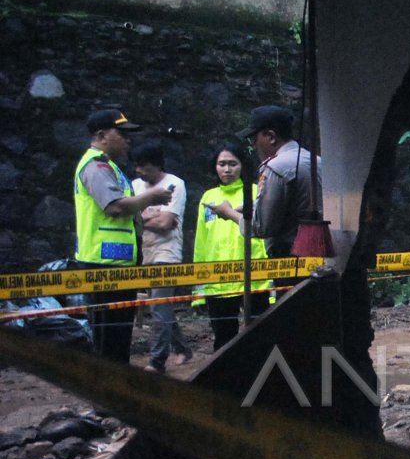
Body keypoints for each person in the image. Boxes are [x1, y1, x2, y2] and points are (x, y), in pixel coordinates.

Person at [73, 109, 172, 363]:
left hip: (116, 265)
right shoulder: (96, 166)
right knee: (109, 341)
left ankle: (114, 396)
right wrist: (152, 196)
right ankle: (106, 400)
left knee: (117, 340)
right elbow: (114, 206)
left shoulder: (109, 167)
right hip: (102, 266)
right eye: (122, 133)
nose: (128, 140)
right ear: (101, 135)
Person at [205, 105, 321, 260]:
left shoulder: (275, 167)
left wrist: (228, 212)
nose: (253, 146)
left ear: (271, 137)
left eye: (254, 139)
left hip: (290, 257)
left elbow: (262, 227)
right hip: (320, 250)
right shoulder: (316, 161)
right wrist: (257, 207)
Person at [194, 142, 270, 350]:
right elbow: (201, 241)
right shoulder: (208, 197)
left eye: (232, 164)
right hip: (218, 279)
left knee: (259, 336)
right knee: (223, 338)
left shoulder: (256, 192)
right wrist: (199, 288)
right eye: (222, 164)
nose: (227, 169)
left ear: (242, 166)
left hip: (255, 278)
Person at [131, 140, 192, 373]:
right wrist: (145, 219)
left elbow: (166, 223)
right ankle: (183, 348)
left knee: (158, 307)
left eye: (143, 165)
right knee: (161, 305)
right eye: (136, 166)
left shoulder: (175, 184)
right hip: (145, 252)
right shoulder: (135, 185)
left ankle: (157, 361)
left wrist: (139, 218)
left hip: (167, 253)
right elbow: (126, 216)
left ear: (156, 164)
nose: (139, 171)